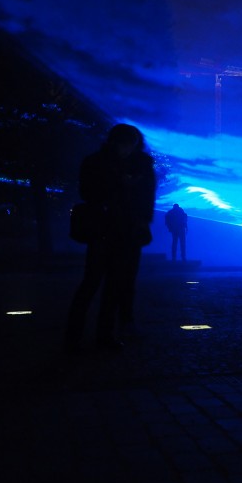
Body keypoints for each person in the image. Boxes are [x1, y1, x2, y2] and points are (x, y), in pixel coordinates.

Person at [65, 124, 155, 353]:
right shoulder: (101, 163)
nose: (127, 148)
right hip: (107, 229)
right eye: (124, 144)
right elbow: (88, 193)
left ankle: (99, 335)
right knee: (95, 282)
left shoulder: (137, 165)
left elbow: (146, 197)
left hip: (122, 231)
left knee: (111, 284)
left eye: (130, 144)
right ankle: (82, 334)